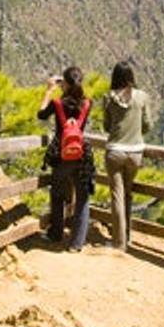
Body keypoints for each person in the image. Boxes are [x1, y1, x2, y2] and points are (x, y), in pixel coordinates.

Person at [39, 66, 94, 252]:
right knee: (83, 198)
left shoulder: (57, 104)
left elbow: (41, 114)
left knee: (57, 194)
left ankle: (56, 234)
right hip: (82, 156)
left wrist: (49, 90)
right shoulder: (87, 104)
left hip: (62, 155)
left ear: (66, 84)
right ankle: (77, 243)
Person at [101, 61, 152, 250]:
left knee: (117, 196)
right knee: (128, 195)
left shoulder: (108, 97)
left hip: (115, 151)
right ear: (131, 76)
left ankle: (118, 243)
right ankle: (127, 236)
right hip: (136, 152)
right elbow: (148, 124)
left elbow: (107, 126)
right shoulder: (142, 97)